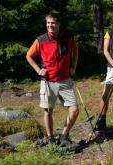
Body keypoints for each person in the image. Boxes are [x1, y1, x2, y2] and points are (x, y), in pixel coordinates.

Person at [26, 13, 79, 149]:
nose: (50, 25)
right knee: (48, 110)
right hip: (48, 81)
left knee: (74, 110)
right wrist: (38, 70)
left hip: (66, 80)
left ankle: (64, 135)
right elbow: (29, 56)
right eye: (48, 23)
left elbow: (75, 52)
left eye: (53, 23)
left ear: (59, 24)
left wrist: (73, 66)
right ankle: (50, 138)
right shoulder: (41, 40)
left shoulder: (69, 38)